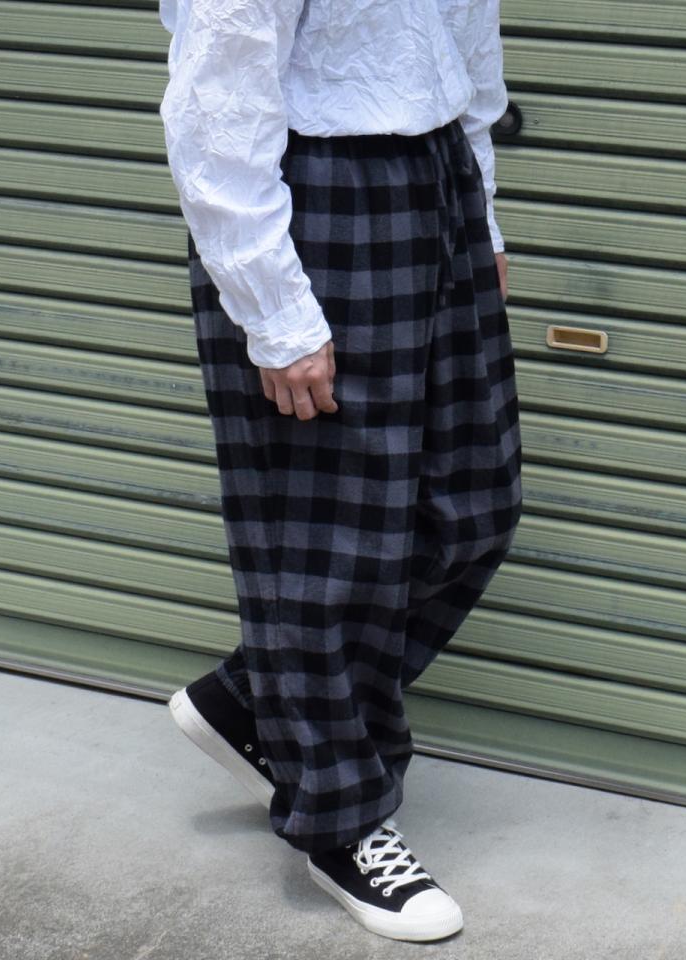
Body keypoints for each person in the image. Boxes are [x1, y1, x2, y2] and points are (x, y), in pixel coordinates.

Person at [157, 0, 523, 943]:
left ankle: (254, 699)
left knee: (475, 503)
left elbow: (468, 40)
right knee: (326, 546)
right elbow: (215, 106)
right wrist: (276, 314)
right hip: (312, 196)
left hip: (437, 177)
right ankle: (341, 818)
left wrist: (480, 214)